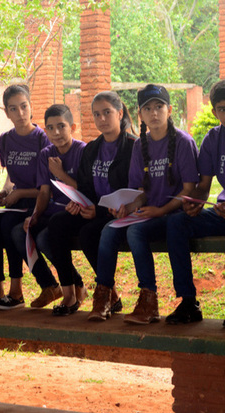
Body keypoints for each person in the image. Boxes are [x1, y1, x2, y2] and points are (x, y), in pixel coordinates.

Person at [90, 84, 199, 324]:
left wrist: (161, 210)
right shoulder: (141, 145)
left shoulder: (183, 142)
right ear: (140, 114)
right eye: (147, 108)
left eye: (159, 107)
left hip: (174, 216)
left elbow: (189, 190)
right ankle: (104, 297)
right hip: (149, 212)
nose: (154, 113)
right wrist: (127, 207)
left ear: (169, 110)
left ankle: (149, 300)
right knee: (109, 230)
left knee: (136, 232)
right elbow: (141, 191)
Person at [45, 92, 136, 319]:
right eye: (97, 114)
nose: (102, 118)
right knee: (56, 224)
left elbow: (133, 189)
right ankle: (69, 295)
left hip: (120, 212)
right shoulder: (92, 149)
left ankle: (107, 293)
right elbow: (85, 187)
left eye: (107, 112)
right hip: (94, 209)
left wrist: (100, 210)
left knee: (88, 233)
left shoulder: (133, 147)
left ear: (120, 113)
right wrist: (78, 204)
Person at [11, 104, 86, 314]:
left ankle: (71, 290)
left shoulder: (82, 151)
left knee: (45, 237)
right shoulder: (46, 154)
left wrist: (61, 174)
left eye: (61, 126)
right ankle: (51, 285)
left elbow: (87, 190)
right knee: (19, 231)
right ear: (45, 131)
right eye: (51, 128)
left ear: (73, 126)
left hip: (76, 211)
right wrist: (34, 216)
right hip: (54, 211)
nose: (57, 133)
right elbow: (44, 192)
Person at [0, 85, 51, 310]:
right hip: (18, 200)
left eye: (24, 107)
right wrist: (6, 190)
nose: (20, 114)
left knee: (9, 227)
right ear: (6, 112)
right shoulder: (5, 139)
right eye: (14, 109)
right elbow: (11, 176)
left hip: (39, 200)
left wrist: (19, 193)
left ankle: (16, 289)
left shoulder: (42, 138)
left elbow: (47, 187)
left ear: (31, 107)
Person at [165, 80, 225, 325]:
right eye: (222, 108)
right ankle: (188, 302)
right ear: (214, 112)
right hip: (221, 214)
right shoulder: (213, 139)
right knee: (178, 222)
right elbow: (203, 187)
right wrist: (196, 203)